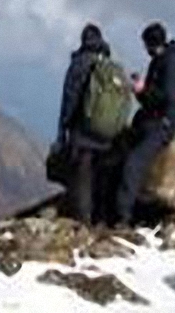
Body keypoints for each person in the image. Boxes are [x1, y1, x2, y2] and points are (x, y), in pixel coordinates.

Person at [116, 22, 175, 225]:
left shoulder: (170, 62)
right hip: (154, 120)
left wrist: (143, 90)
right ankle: (123, 210)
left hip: (162, 124)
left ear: (150, 43)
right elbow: (157, 97)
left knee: (133, 164)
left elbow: (170, 98)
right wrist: (142, 91)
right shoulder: (162, 60)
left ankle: (124, 218)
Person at [54, 23, 112, 223]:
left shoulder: (78, 63)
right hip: (108, 132)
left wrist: (62, 132)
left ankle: (84, 222)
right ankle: (104, 220)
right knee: (103, 176)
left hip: (84, 132)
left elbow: (69, 99)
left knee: (83, 177)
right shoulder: (108, 63)